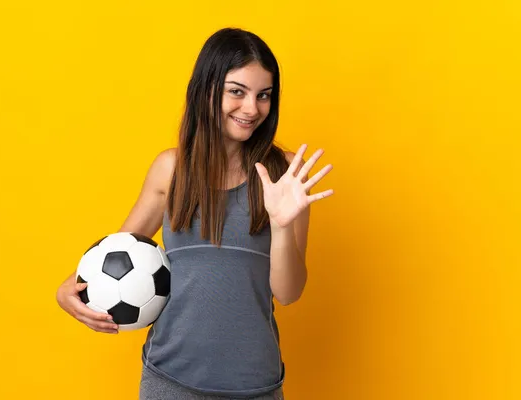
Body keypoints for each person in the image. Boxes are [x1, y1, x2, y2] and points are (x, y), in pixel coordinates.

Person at [56, 27, 334, 399]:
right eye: (237, 91)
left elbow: (288, 292)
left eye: (263, 95)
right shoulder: (170, 169)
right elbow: (116, 255)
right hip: (169, 381)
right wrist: (68, 289)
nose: (252, 109)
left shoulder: (285, 175)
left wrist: (282, 226)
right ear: (207, 89)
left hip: (254, 385)